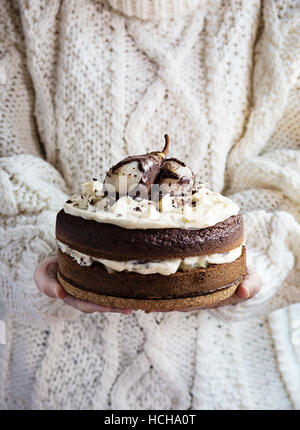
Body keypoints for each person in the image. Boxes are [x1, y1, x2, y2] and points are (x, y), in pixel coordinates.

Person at [0, 0, 300, 410]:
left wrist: (250, 257)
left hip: (239, 385)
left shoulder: (280, 14)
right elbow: (9, 171)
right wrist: (43, 259)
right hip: (54, 389)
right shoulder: (21, 11)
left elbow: (290, 172)